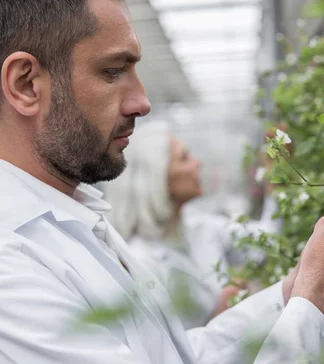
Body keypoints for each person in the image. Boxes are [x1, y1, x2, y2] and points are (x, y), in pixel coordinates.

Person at [0, 0, 324, 363]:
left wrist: (294, 290)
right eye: (112, 71)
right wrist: (320, 301)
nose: (142, 101)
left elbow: (176, 356)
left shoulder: (66, 218)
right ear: (24, 85)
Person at [103, 121, 244, 329]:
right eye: (184, 158)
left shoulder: (197, 227)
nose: (198, 163)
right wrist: (222, 314)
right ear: (157, 178)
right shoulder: (141, 262)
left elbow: (264, 244)